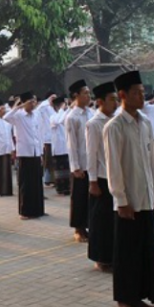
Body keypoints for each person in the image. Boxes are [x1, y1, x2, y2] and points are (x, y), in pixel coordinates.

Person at [104, 71, 154, 307]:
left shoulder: (146, 123)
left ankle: (140, 296)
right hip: (128, 201)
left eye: (143, 92)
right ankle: (123, 299)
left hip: (146, 195)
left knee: (145, 249)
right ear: (123, 95)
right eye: (137, 92)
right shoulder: (114, 127)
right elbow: (113, 167)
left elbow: (151, 161)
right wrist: (121, 200)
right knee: (126, 252)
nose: (142, 96)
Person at [85, 82, 118, 272]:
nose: (115, 103)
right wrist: (93, 181)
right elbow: (91, 154)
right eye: (112, 100)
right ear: (100, 102)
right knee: (101, 221)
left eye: (116, 99)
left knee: (114, 220)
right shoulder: (94, 124)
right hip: (101, 178)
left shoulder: (116, 120)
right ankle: (100, 257)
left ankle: (114, 255)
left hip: (116, 178)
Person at [4, 91, 45, 219]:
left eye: (34, 101)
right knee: (26, 184)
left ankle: (38, 209)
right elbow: (6, 117)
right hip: (24, 154)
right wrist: (19, 106)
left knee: (37, 183)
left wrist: (41, 153)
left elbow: (38, 134)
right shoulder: (19, 116)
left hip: (35, 153)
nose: (33, 104)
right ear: (25, 102)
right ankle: (25, 211)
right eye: (30, 102)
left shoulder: (35, 115)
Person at [65, 80, 91, 242]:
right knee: (79, 197)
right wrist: (75, 166)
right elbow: (71, 143)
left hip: (92, 162)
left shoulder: (91, 113)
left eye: (89, 93)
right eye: (85, 93)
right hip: (80, 163)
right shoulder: (72, 117)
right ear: (76, 95)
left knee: (90, 197)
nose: (89, 96)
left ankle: (89, 226)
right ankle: (78, 229)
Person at [49, 97, 71, 196]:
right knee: (59, 170)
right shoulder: (53, 116)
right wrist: (63, 109)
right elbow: (59, 120)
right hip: (58, 148)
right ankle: (61, 188)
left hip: (66, 146)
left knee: (67, 169)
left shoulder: (66, 115)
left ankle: (68, 187)